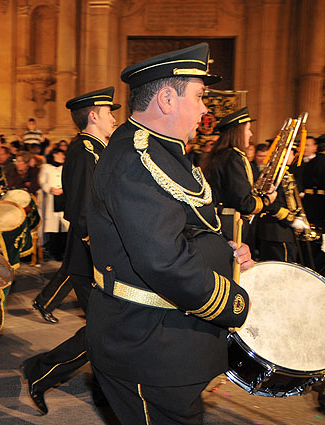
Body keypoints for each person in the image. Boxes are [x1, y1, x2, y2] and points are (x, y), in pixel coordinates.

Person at [86, 42, 253, 424]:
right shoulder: (135, 159)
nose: (205, 109)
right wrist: (236, 304)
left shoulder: (164, 151)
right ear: (166, 98)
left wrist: (226, 251)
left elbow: (189, 224)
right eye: (198, 97)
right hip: (148, 344)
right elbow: (163, 261)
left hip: (170, 336)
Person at [22, 86, 120, 414]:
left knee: (106, 331)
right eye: (109, 113)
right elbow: (81, 209)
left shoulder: (96, 149)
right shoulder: (83, 151)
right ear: (93, 116)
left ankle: (105, 392)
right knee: (103, 331)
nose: (114, 118)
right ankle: (42, 373)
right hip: (91, 257)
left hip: (97, 255)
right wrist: (101, 252)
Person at [202, 107, 278, 241]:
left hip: (220, 224)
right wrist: (267, 200)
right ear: (238, 132)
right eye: (247, 129)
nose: (251, 134)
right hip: (231, 227)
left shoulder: (221, 155)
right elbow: (243, 203)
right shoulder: (233, 157)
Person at [38, 148, 69, 261]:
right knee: (53, 227)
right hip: (51, 198)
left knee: (64, 226)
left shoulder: (65, 167)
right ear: (54, 155)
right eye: (60, 154)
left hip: (63, 198)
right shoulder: (46, 167)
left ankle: (63, 251)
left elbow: (69, 180)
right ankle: (54, 251)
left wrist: (64, 189)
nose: (62, 156)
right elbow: (42, 182)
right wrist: (49, 188)